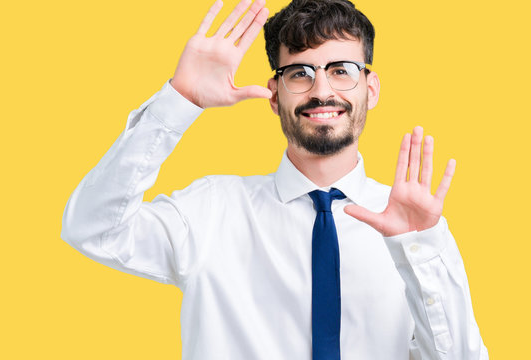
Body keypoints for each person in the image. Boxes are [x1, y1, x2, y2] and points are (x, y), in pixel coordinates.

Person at [61, 0, 488, 359]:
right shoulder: (211, 210)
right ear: (274, 93)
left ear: (370, 88)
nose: (322, 90)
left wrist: (417, 248)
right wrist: (178, 102)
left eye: (342, 70)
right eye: (299, 73)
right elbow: (92, 228)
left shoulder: (414, 229)